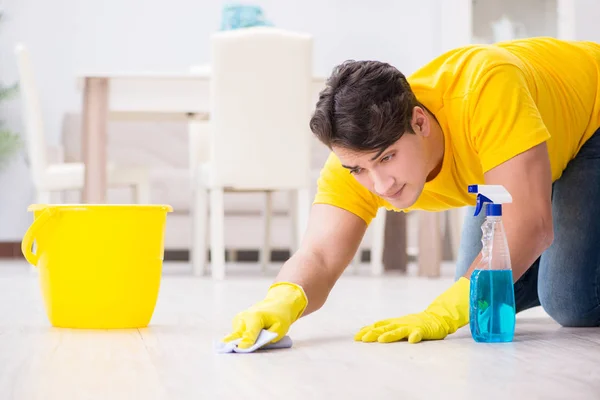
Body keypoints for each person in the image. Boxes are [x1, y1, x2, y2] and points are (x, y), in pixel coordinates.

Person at [222, 36, 600, 348]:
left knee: (569, 300)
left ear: (420, 122)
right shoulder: (354, 157)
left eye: (388, 157)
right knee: (482, 296)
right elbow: (319, 255)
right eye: (360, 169)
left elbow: (531, 224)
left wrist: (444, 312)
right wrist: (282, 299)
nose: (381, 185)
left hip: (592, 121)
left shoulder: (485, 89)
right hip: (531, 152)